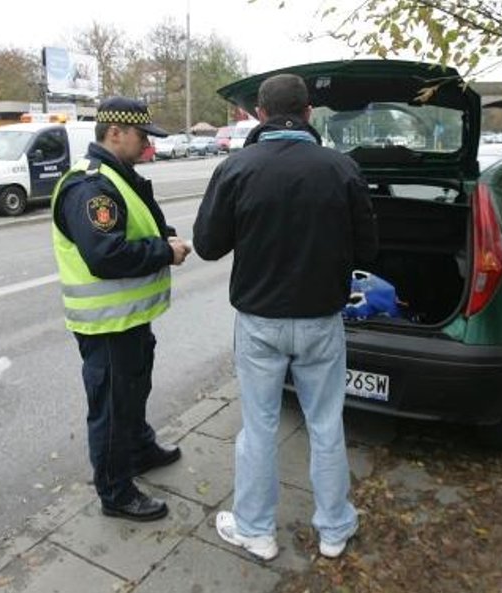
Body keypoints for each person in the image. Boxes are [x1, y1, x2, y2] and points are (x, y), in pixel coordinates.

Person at [193, 73, 378, 559]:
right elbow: (369, 249)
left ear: (259, 113)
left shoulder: (236, 168)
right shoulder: (341, 169)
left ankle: (255, 530)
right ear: (309, 113)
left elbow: (208, 245)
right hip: (321, 321)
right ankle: (335, 528)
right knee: (326, 424)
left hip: (259, 322)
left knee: (259, 427)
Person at [50, 97, 192, 521]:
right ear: (116, 133)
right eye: (142, 135)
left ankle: (139, 448)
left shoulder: (118, 176)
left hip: (129, 318)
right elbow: (105, 255)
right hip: (107, 325)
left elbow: (133, 224)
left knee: (133, 391)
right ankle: (116, 491)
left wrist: (163, 237)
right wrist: (163, 252)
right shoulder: (91, 186)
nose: (148, 144)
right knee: (112, 407)